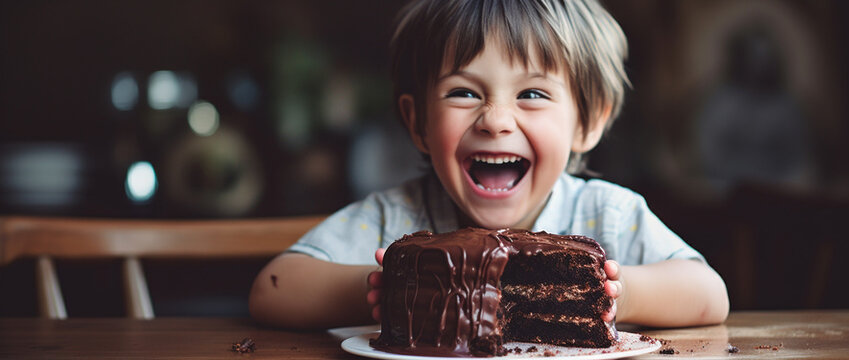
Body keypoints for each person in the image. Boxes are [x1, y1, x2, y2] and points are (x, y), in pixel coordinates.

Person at [249, 0, 728, 330]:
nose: (496, 120)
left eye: (532, 94)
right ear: (417, 123)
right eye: (463, 92)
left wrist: (620, 294)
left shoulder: (608, 215)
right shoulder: (395, 221)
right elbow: (272, 289)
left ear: (588, 121)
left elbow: (710, 295)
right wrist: (379, 291)